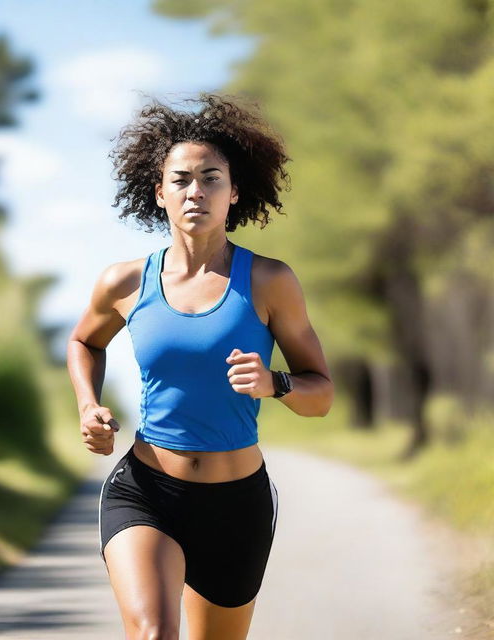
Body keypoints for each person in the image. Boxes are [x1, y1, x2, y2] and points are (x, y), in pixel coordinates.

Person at [67, 93, 334, 640]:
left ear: (235, 192)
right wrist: (88, 404)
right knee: (153, 634)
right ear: (159, 192)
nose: (196, 191)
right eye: (182, 179)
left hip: (236, 503)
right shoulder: (123, 282)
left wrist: (275, 382)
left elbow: (321, 395)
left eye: (211, 178)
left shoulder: (269, 282)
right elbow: (84, 342)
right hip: (146, 491)